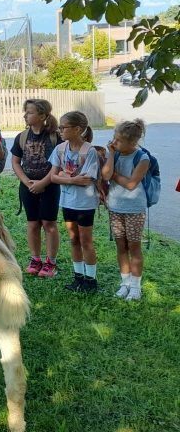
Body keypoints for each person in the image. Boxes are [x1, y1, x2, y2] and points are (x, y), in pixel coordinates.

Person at [50, 111, 100, 293]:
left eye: (63, 127)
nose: (60, 130)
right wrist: (71, 179)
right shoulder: (60, 149)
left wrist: (64, 176)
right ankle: (78, 277)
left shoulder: (90, 151)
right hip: (67, 201)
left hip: (85, 203)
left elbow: (86, 180)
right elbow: (53, 177)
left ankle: (91, 280)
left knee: (86, 241)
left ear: (78, 129)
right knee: (74, 239)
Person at [11, 99, 61, 278]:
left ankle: (51, 262)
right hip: (27, 187)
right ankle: (35, 259)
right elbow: (16, 162)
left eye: (30, 112)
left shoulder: (55, 137)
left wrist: (43, 183)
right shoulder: (22, 136)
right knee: (32, 223)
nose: (25, 115)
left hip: (50, 186)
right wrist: (27, 182)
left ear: (42, 115)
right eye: (25, 111)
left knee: (49, 223)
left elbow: (58, 165)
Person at [101, 119, 150, 301]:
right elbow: (105, 175)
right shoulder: (115, 154)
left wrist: (114, 175)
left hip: (134, 208)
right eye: (114, 138)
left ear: (132, 142)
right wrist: (111, 155)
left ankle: (136, 287)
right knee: (121, 246)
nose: (114, 142)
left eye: (119, 140)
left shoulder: (142, 158)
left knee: (134, 246)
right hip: (115, 207)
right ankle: (125, 283)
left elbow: (131, 184)